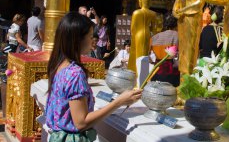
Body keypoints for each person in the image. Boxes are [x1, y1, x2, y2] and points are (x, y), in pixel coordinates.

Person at [45, 12, 142, 140]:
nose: (93, 41)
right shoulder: (75, 73)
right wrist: (119, 102)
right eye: (90, 37)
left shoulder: (59, 65)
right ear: (77, 40)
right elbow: (81, 122)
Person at [150, 13, 180, 86]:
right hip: (171, 72)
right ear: (177, 24)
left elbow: (149, 57)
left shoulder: (155, 37)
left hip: (156, 70)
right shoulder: (178, 36)